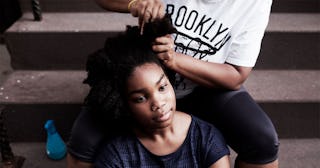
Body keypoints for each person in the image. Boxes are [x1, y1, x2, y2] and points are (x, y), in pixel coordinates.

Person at [68, 0, 280, 167]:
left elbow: (236, 75)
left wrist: (175, 59)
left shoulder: (254, 2)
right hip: (146, 84)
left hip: (204, 87)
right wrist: (135, 3)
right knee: (82, 142)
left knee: (262, 141)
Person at [70, 17, 230, 168]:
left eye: (162, 87)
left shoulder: (206, 138)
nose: (158, 104)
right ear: (123, 103)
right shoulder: (116, 155)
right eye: (140, 98)